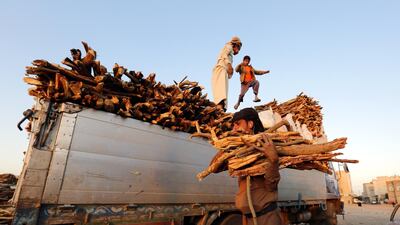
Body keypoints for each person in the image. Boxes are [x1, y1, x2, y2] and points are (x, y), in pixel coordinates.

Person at [232, 108, 282, 225]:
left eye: (237, 124)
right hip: (248, 219)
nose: (234, 129)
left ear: (250, 124)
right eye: (233, 125)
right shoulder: (241, 154)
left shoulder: (265, 147)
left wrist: (273, 160)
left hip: (266, 219)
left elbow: (271, 186)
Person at [211, 36, 242, 111]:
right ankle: (219, 109)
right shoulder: (229, 47)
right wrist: (229, 65)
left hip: (223, 71)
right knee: (221, 92)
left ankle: (220, 109)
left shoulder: (230, 51)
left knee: (223, 91)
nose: (238, 52)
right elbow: (224, 54)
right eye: (238, 49)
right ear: (235, 45)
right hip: (221, 69)